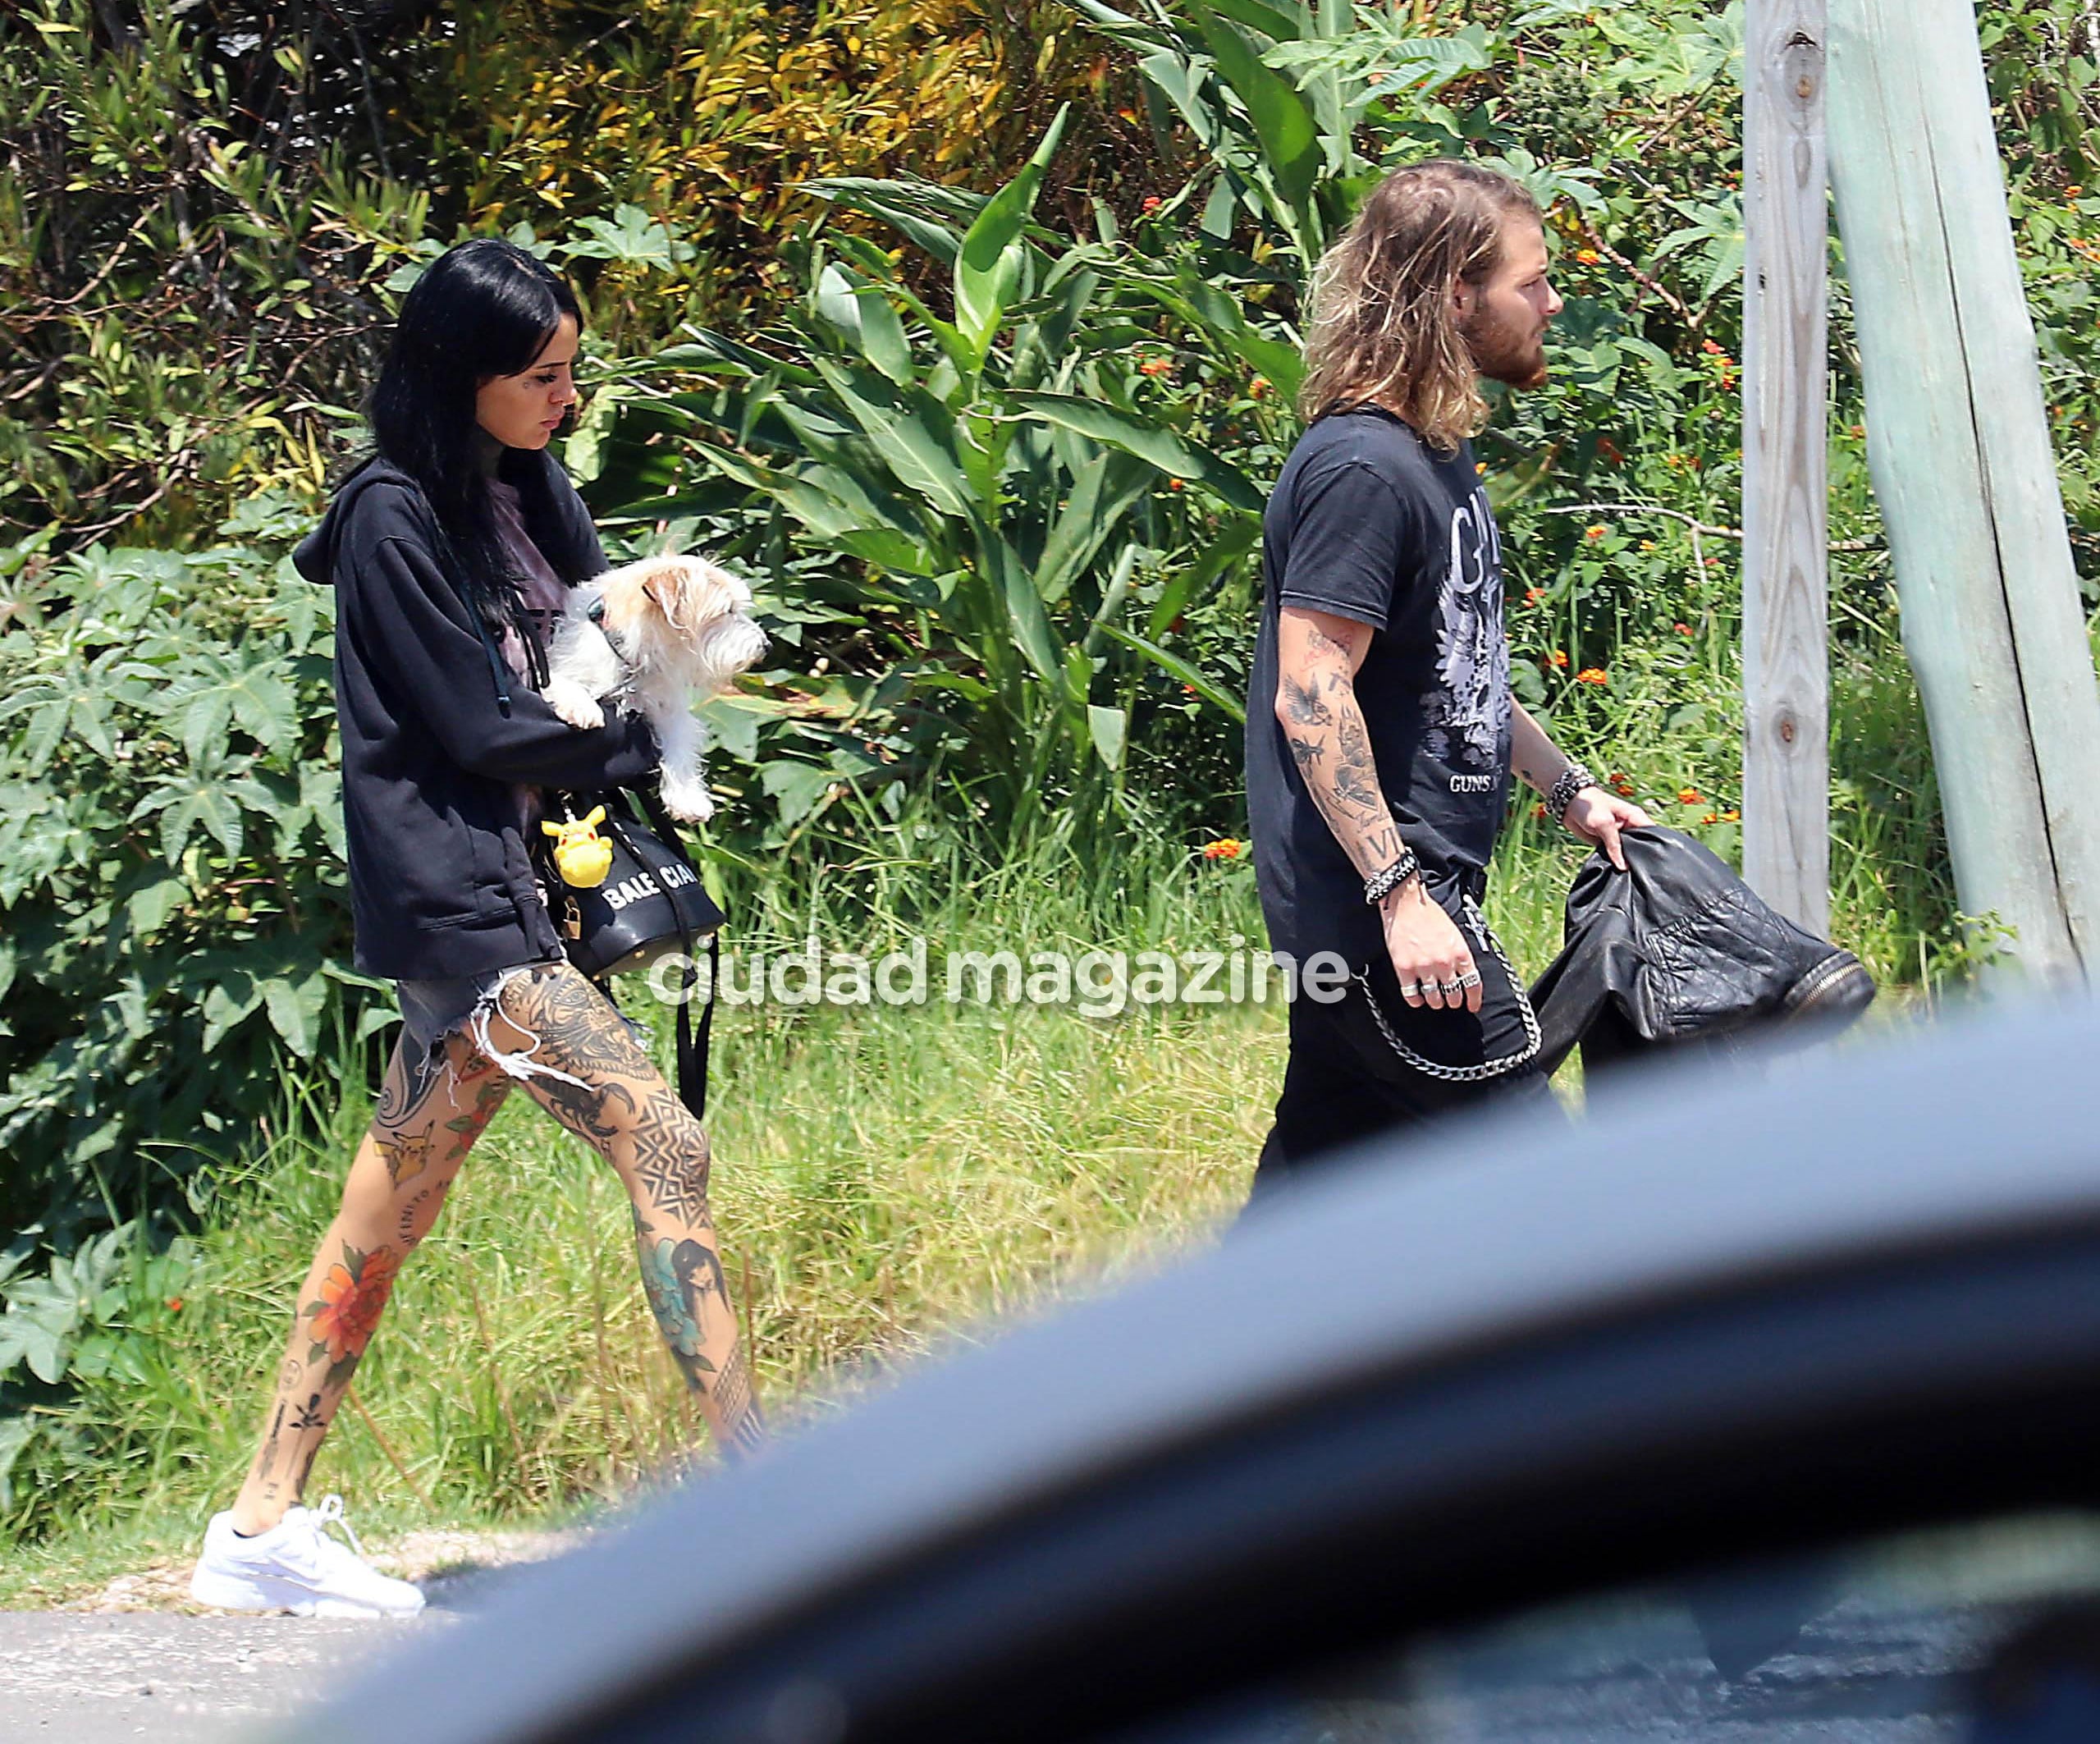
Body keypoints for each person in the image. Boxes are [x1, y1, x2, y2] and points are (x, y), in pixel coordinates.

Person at [189, 240, 764, 1618]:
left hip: (526, 890)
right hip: (461, 900)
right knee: (661, 1138)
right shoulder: (390, 518)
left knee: (389, 1206)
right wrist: (636, 750)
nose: (568, 399)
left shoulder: (528, 483)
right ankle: (770, 1513)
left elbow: (614, 639)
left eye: (574, 371)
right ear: (463, 377)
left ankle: (258, 1527)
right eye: (542, 377)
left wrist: (673, 666)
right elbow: (472, 726)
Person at [1244, 159, 1654, 1198]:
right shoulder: (1362, 470)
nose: (1553, 302)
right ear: (1454, 295)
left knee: (1310, 1210)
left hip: (1395, 908)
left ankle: (1204, 1359)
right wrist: (1400, 896)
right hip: (1389, 918)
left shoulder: (1433, 457)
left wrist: (1570, 790)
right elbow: (1312, 689)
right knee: (1556, 1209)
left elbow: (1458, 666)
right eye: (1532, 282)